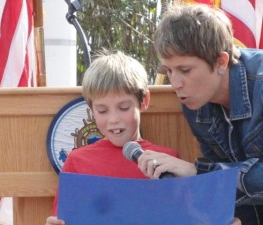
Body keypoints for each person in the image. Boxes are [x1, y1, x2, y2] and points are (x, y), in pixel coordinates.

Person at [137, 3, 263, 225]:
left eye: (185, 70)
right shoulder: (195, 101)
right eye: (168, 71)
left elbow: (215, 174)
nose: (175, 83)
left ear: (221, 62)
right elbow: (225, 186)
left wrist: (198, 171)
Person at [45, 50, 179, 225]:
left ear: (144, 101)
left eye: (123, 108)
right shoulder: (77, 161)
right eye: (102, 110)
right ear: (91, 110)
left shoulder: (166, 161)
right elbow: (62, 218)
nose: (114, 119)